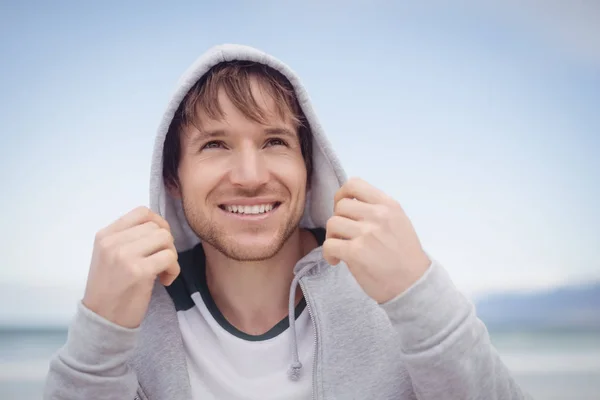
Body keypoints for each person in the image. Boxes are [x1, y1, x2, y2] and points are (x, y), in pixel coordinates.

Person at [43, 44, 529, 399]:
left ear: (308, 167)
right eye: (215, 144)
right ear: (172, 177)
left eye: (275, 142)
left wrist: (421, 295)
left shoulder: (385, 297)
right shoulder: (135, 319)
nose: (251, 177)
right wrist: (98, 338)